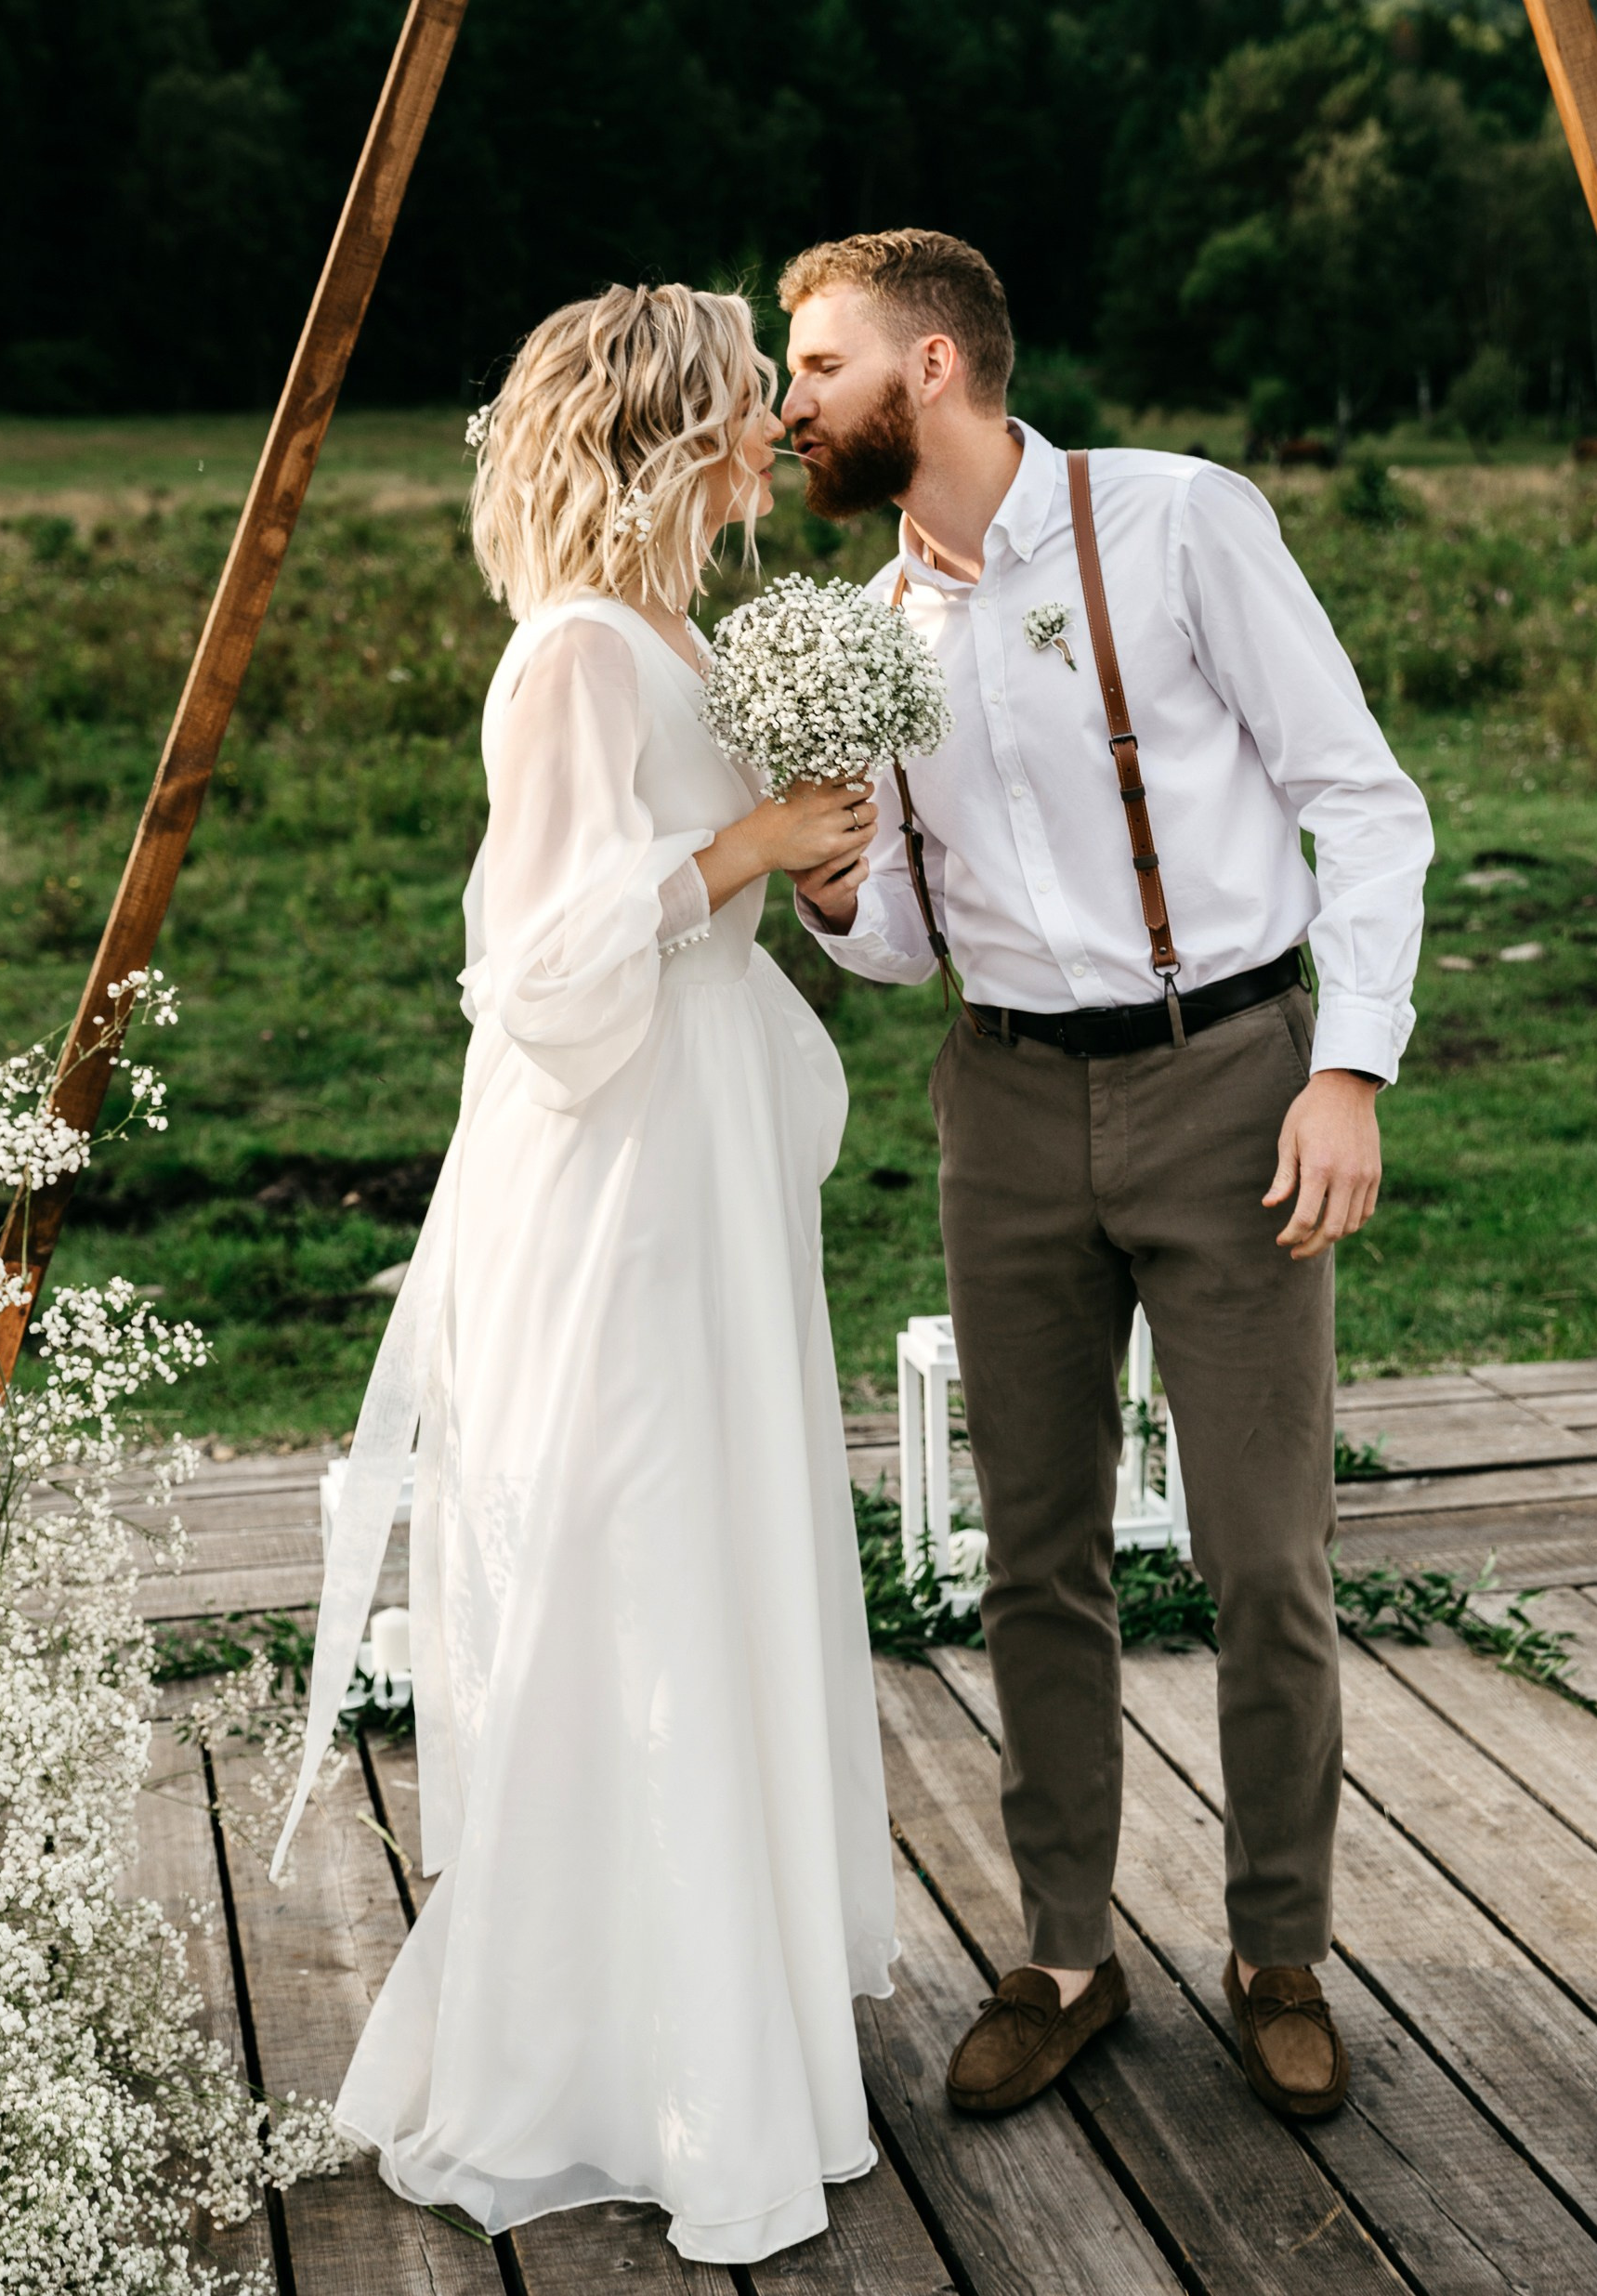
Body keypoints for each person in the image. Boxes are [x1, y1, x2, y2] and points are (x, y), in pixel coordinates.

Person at [782, 228, 1433, 2125]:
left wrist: (1347, 1066)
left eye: (812, 364)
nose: (787, 403)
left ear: (929, 362)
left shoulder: (1171, 524)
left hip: (1231, 1079)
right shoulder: (868, 630)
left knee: (1263, 1558)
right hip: (999, 1105)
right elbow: (900, 935)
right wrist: (834, 893)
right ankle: (1066, 1953)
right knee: (1033, 1555)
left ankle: (1277, 1947)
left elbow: (1358, 801)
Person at [276, 283, 897, 2263]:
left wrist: (796, 867)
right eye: (740, 408)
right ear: (667, 439)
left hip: (696, 1146)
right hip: (611, 1176)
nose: (770, 437)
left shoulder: (677, 636)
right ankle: (601, 2059)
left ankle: (725, 2042)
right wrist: (735, 860)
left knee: (710, 1551)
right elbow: (534, 972)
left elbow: (675, 904)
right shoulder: (569, 656)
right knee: (627, 1552)